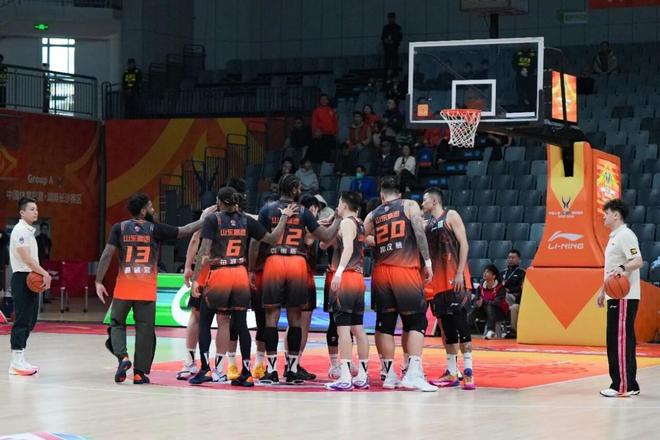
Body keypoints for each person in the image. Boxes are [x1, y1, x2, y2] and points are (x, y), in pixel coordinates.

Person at [188, 187, 296, 387]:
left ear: (220, 202)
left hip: (220, 273)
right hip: (239, 273)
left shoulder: (213, 219)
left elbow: (204, 250)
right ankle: (246, 372)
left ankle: (205, 369)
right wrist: (283, 218)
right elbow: (272, 239)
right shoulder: (246, 220)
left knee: (205, 320)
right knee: (241, 324)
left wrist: (196, 279)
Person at [95, 193, 208, 384]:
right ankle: (139, 373)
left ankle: (123, 358)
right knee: (145, 332)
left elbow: (107, 254)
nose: (153, 210)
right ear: (143, 211)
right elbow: (185, 230)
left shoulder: (119, 228)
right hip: (146, 290)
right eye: (150, 206)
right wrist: (205, 219)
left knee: (116, 324)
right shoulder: (155, 229)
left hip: (124, 288)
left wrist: (99, 281)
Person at [256, 175, 341, 384]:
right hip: (297, 262)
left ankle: (272, 370)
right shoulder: (303, 212)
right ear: (294, 189)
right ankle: (292, 370)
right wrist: (338, 218)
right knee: (296, 319)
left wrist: (252, 268)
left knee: (271, 318)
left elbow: (255, 242)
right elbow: (326, 235)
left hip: (274, 261)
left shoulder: (267, 209)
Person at [363, 176, 437, 392]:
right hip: (404, 269)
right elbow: (419, 232)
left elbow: (361, 237)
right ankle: (413, 373)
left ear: (381, 195)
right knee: (416, 321)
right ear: (400, 193)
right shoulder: (409, 205)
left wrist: (380, 242)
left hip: (380, 272)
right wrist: (428, 262)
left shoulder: (373, 214)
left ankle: (389, 375)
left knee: (385, 324)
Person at [421, 187, 475, 390]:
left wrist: (460, 272)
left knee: (462, 326)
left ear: (434, 201)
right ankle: (452, 372)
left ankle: (469, 372)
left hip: (456, 280)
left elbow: (464, 244)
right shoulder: (428, 224)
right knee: (448, 329)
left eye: (425, 200)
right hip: (438, 284)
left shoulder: (451, 216)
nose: (422, 203)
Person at [322, 191, 370, 391]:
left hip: (347, 277)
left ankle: (345, 376)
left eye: (339, 203)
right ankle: (363, 375)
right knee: (358, 328)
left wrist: (339, 272)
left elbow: (348, 248)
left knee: (342, 329)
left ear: (343, 204)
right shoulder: (360, 223)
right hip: (358, 278)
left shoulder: (346, 223)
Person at [597, 198, 643, 397]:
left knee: (620, 341)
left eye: (606, 214)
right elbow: (612, 270)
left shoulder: (625, 235)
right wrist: (603, 291)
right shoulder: (615, 237)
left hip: (625, 297)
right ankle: (628, 383)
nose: (604, 217)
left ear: (616, 215)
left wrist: (623, 268)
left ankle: (623, 386)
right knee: (618, 340)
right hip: (615, 296)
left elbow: (638, 260)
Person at [176, 203, 221, 381]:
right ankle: (220, 368)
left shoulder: (210, 213)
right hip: (227, 270)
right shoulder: (238, 215)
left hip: (204, 270)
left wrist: (188, 266)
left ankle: (189, 363)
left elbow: (195, 237)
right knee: (224, 320)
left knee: (196, 315)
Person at [7, 198, 52, 376]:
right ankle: (15, 362)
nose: (36, 212)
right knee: (22, 320)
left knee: (31, 319)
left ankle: (21, 356)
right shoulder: (20, 230)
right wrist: (44, 273)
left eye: (37, 209)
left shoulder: (29, 231)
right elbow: (26, 258)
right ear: (22, 212)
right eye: (32, 209)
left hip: (30, 277)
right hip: (22, 278)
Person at [470, 265, 508, 340]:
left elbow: (496, 302)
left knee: (490, 306)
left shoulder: (500, 287)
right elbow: (476, 298)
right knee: (475, 309)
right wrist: (477, 302)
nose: (484, 273)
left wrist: (483, 302)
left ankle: (491, 331)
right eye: (484, 271)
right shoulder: (480, 286)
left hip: (499, 313)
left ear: (494, 276)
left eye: (487, 272)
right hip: (485, 312)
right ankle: (465, 329)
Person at [501, 249, 526, 338]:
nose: (510, 259)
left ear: (519, 259)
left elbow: (522, 288)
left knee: (505, 296)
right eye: (509, 257)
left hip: (515, 297)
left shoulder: (522, 273)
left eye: (513, 257)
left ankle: (512, 330)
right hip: (502, 297)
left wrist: (510, 290)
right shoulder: (502, 272)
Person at [310, 94, 338, 164]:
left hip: (330, 135)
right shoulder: (316, 111)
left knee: (330, 152)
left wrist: (335, 133)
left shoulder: (331, 111)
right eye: (322, 99)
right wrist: (314, 134)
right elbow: (314, 123)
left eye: (325, 99)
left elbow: (335, 122)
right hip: (321, 135)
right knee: (321, 152)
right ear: (320, 101)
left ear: (328, 101)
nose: (324, 101)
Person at [512, 46, 537, 111]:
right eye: (523, 43)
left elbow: (535, 64)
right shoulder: (517, 53)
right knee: (520, 92)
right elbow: (514, 64)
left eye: (526, 43)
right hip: (520, 76)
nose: (525, 44)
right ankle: (521, 106)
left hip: (530, 76)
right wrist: (521, 70)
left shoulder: (532, 53)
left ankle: (530, 106)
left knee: (530, 92)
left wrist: (528, 71)